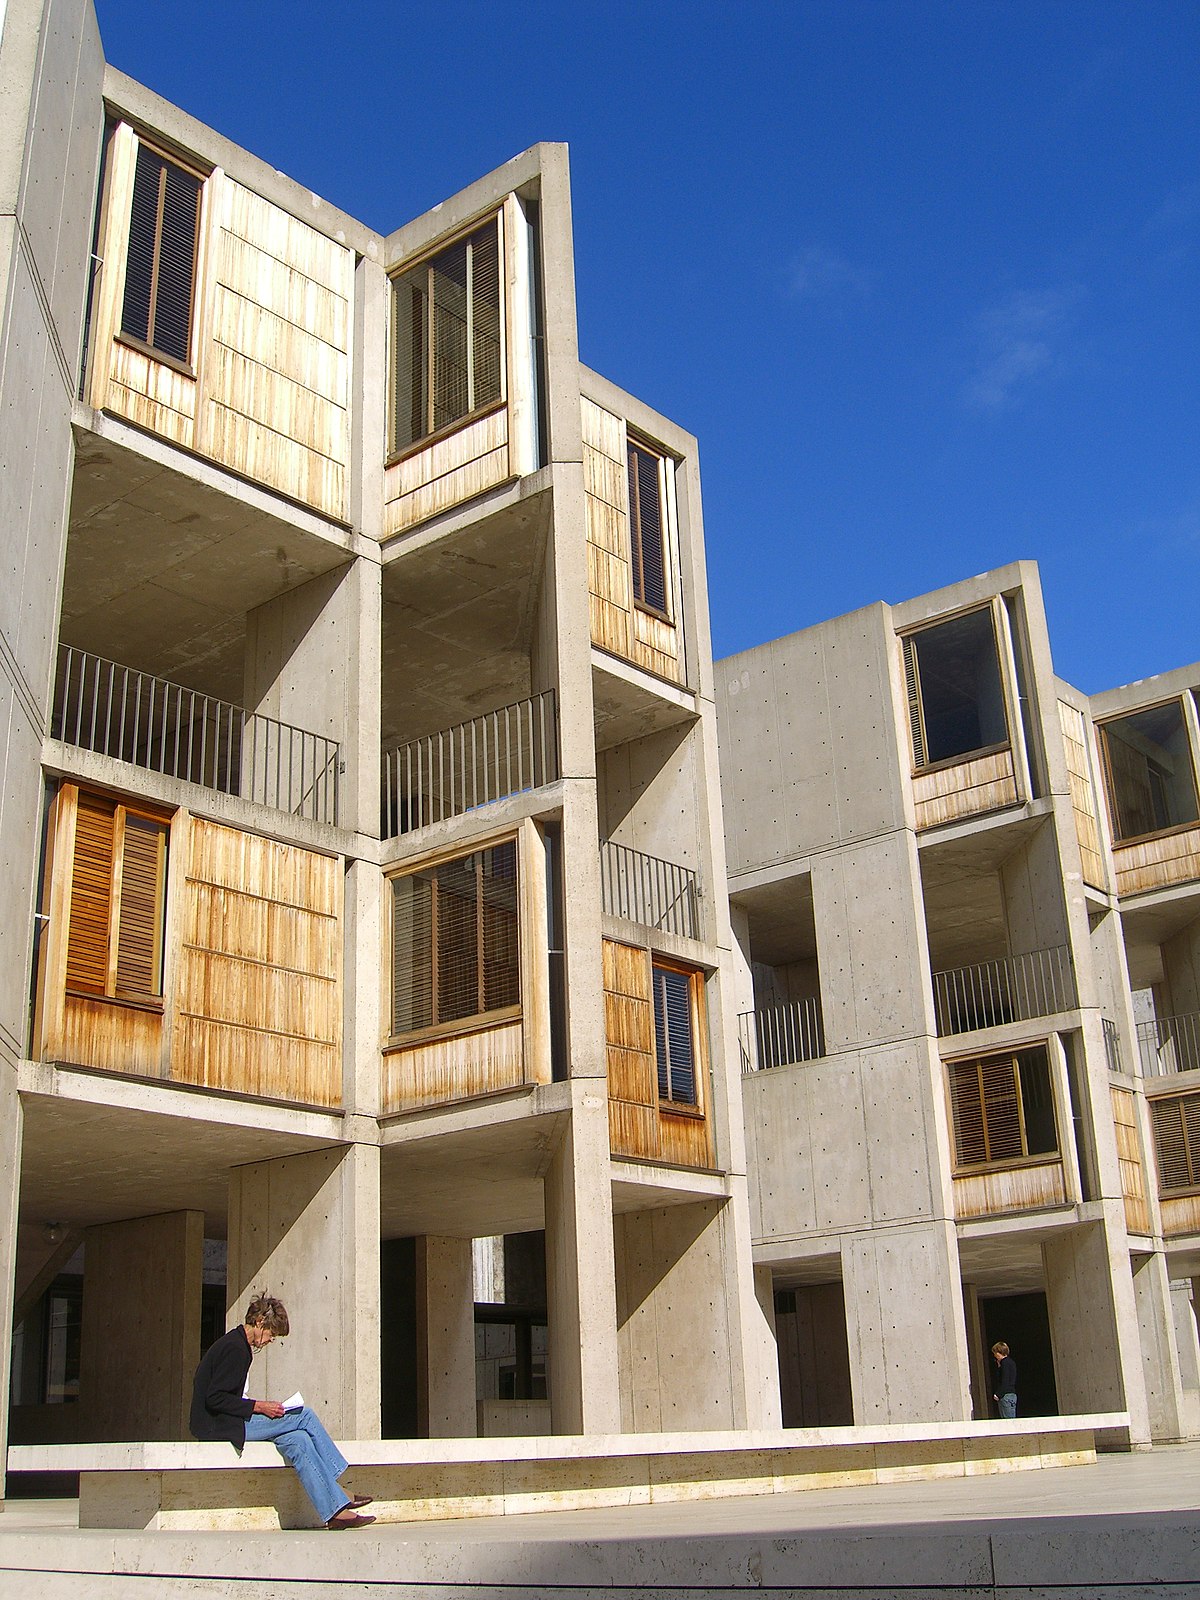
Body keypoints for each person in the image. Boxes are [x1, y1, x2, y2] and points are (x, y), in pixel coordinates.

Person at [190, 1292, 375, 1530]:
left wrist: (259, 1407)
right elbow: (215, 1398)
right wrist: (259, 1406)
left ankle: (334, 1513)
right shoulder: (235, 1347)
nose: (270, 1340)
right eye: (271, 1334)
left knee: (297, 1440)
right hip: (221, 1426)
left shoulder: (238, 1345)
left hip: (229, 1421)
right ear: (259, 1322)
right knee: (305, 1416)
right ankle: (337, 1486)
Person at [991, 1340, 1018, 1419]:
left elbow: (1005, 1380)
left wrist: (998, 1394)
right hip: (1012, 1394)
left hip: (1005, 1395)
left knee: (1007, 1421)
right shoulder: (1011, 1362)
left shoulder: (1004, 1363)